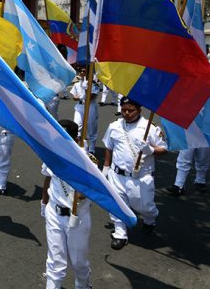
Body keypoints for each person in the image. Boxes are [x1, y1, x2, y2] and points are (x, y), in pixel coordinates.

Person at [101, 97, 167, 250]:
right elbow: (109, 147)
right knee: (117, 204)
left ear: (139, 110)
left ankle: (150, 219)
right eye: (124, 110)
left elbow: (164, 149)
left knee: (145, 207)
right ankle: (120, 233)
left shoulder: (150, 128)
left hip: (141, 177)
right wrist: (105, 167)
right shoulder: (114, 126)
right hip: (117, 175)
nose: (126, 113)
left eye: (131, 110)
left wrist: (151, 150)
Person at [41, 120, 92, 289]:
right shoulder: (52, 153)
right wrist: (44, 202)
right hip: (54, 213)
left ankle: (83, 284)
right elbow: (48, 177)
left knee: (79, 262)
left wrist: (81, 191)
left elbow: (90, 192)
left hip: (77, 217)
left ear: (75, 139)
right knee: (55, 261)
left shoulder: (87, 161)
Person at [70, 67, 100, 155]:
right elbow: (74, 97)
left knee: (91, 127)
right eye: (81, 71)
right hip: (79, 107)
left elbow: (91, 97)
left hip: (90, 106)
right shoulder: (76, 84)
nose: (82, 72)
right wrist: (80, 96)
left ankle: (91, 148)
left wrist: (86, 89)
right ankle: (76, 146)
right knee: (76, 126)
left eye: (84, 71)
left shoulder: (94, 84)